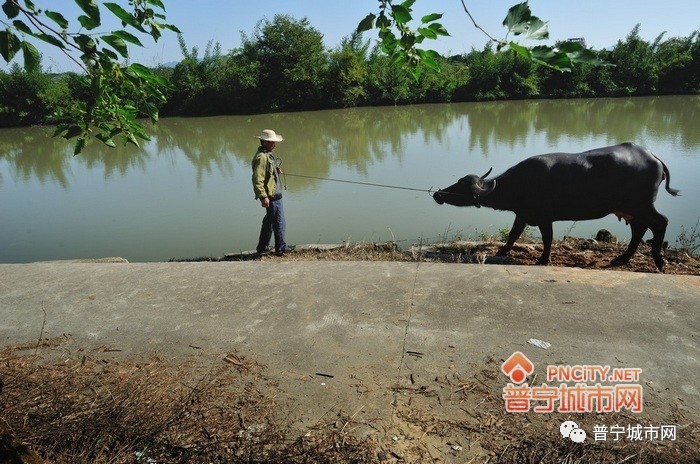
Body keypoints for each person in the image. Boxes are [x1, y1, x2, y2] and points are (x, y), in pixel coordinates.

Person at [251, 129, 291, 255]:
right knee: (279, 222)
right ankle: (280, 248)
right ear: (266, 142)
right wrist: (263, 196)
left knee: (269, 221)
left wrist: (275, 170)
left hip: (274, 194)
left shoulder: (267, 154)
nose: (275, 144)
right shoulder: (262, 157)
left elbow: (267, 174)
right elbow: (257, 178)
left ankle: (262, 247)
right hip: (272, 196)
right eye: (273, 142)